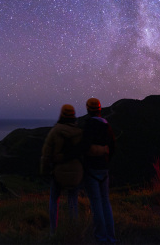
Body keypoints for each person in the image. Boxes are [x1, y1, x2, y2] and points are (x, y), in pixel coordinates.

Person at [40, 104, 83, 235]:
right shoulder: (79, 132)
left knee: (54, 200)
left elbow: (46, 154)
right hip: (76, 174)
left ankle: (54, 231)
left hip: (58, 173)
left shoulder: (55, 131)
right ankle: (74, 231)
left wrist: (44, 171)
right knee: (73, 201)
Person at [82, 97, 116, 244]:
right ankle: (111, 239)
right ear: (100, 109)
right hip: (104, 169)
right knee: (105, 203)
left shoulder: (89, 125)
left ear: (88, 109)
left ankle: (101, 239)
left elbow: (84, 147)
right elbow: (113, 147)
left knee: (96, 204)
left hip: (91, 170)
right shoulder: (107, 125)